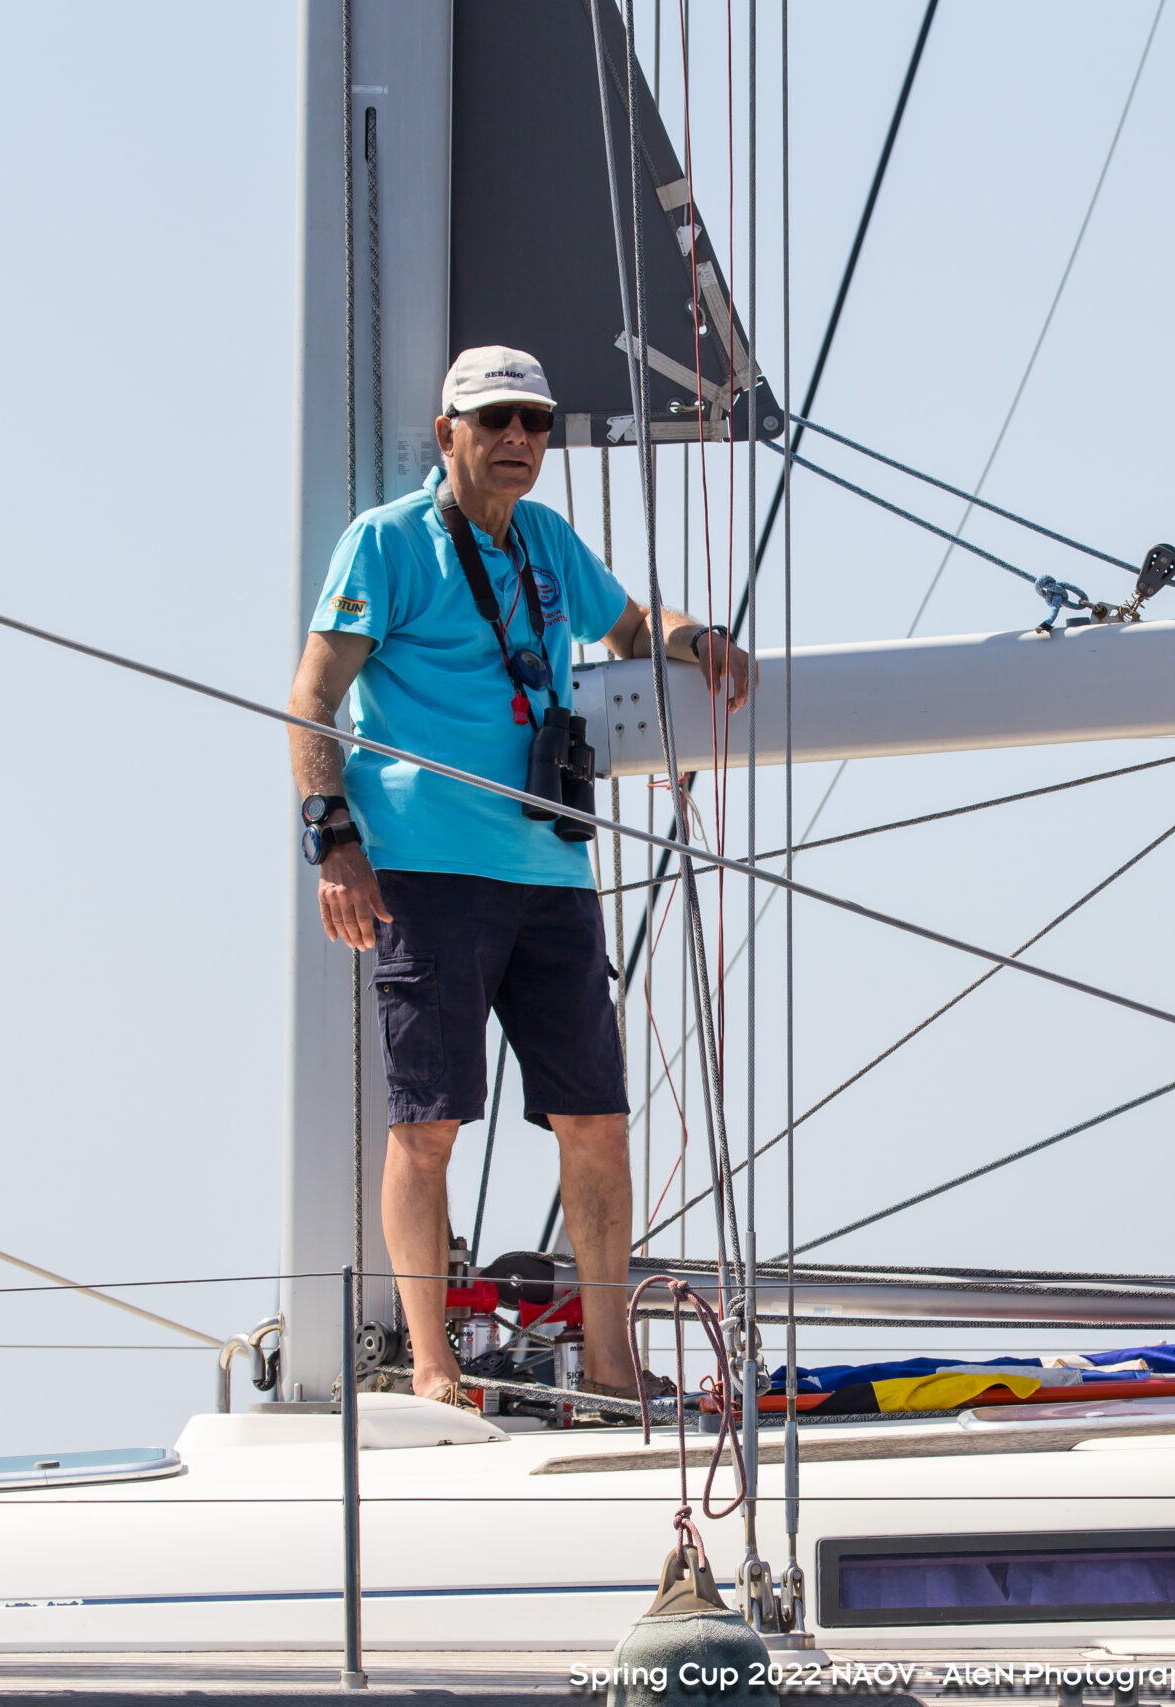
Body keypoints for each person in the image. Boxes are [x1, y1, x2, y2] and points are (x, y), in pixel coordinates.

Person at [286, 345, 751, 1413]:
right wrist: (332, 840)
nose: (517, 442)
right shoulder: (387, 543)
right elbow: (312, 698)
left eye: (534, 423)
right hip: (426, 866)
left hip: (548, 865)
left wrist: (699, 640)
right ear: (447, 432)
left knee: (596, 1118)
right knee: (430, 1121)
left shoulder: (545, 539)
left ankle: (609, 1360)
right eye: (494, 420)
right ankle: (437, 1365)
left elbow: (633, 626)